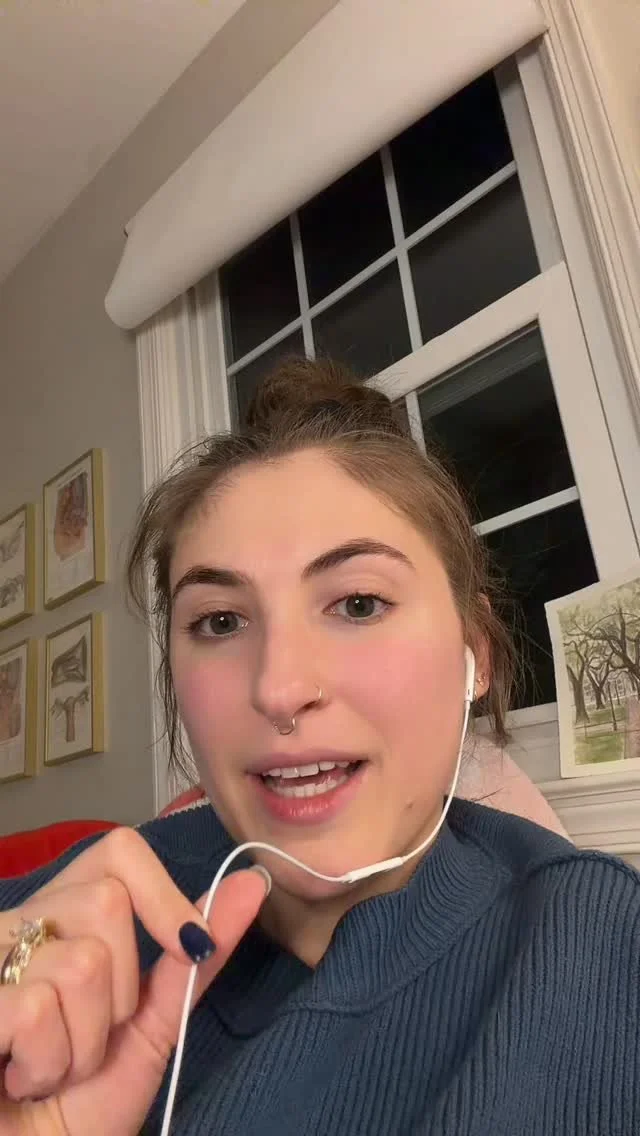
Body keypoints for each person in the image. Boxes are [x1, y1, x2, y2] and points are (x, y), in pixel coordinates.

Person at [0, 357, 638, 1135]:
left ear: (474, 652)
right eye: (220, 622)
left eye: (359, 603)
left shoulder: (600, 947)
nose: (278, 687)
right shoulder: (56, 924)